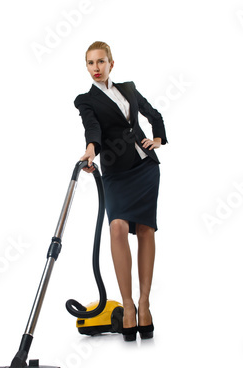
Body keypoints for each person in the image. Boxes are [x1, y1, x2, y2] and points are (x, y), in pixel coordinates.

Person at [74, 41, 167, 341]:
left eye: (101, 62)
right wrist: (91, 150)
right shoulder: (85, 100)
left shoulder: (128, 88)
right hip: (115, 172)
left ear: (111, 64)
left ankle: (144, 303)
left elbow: (155, 115)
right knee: (116, 228)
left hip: (145, 168)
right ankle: (127, 306)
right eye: (90, 63)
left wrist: (158, 139)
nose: (96, 68)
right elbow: (93, 129)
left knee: (145, 231)